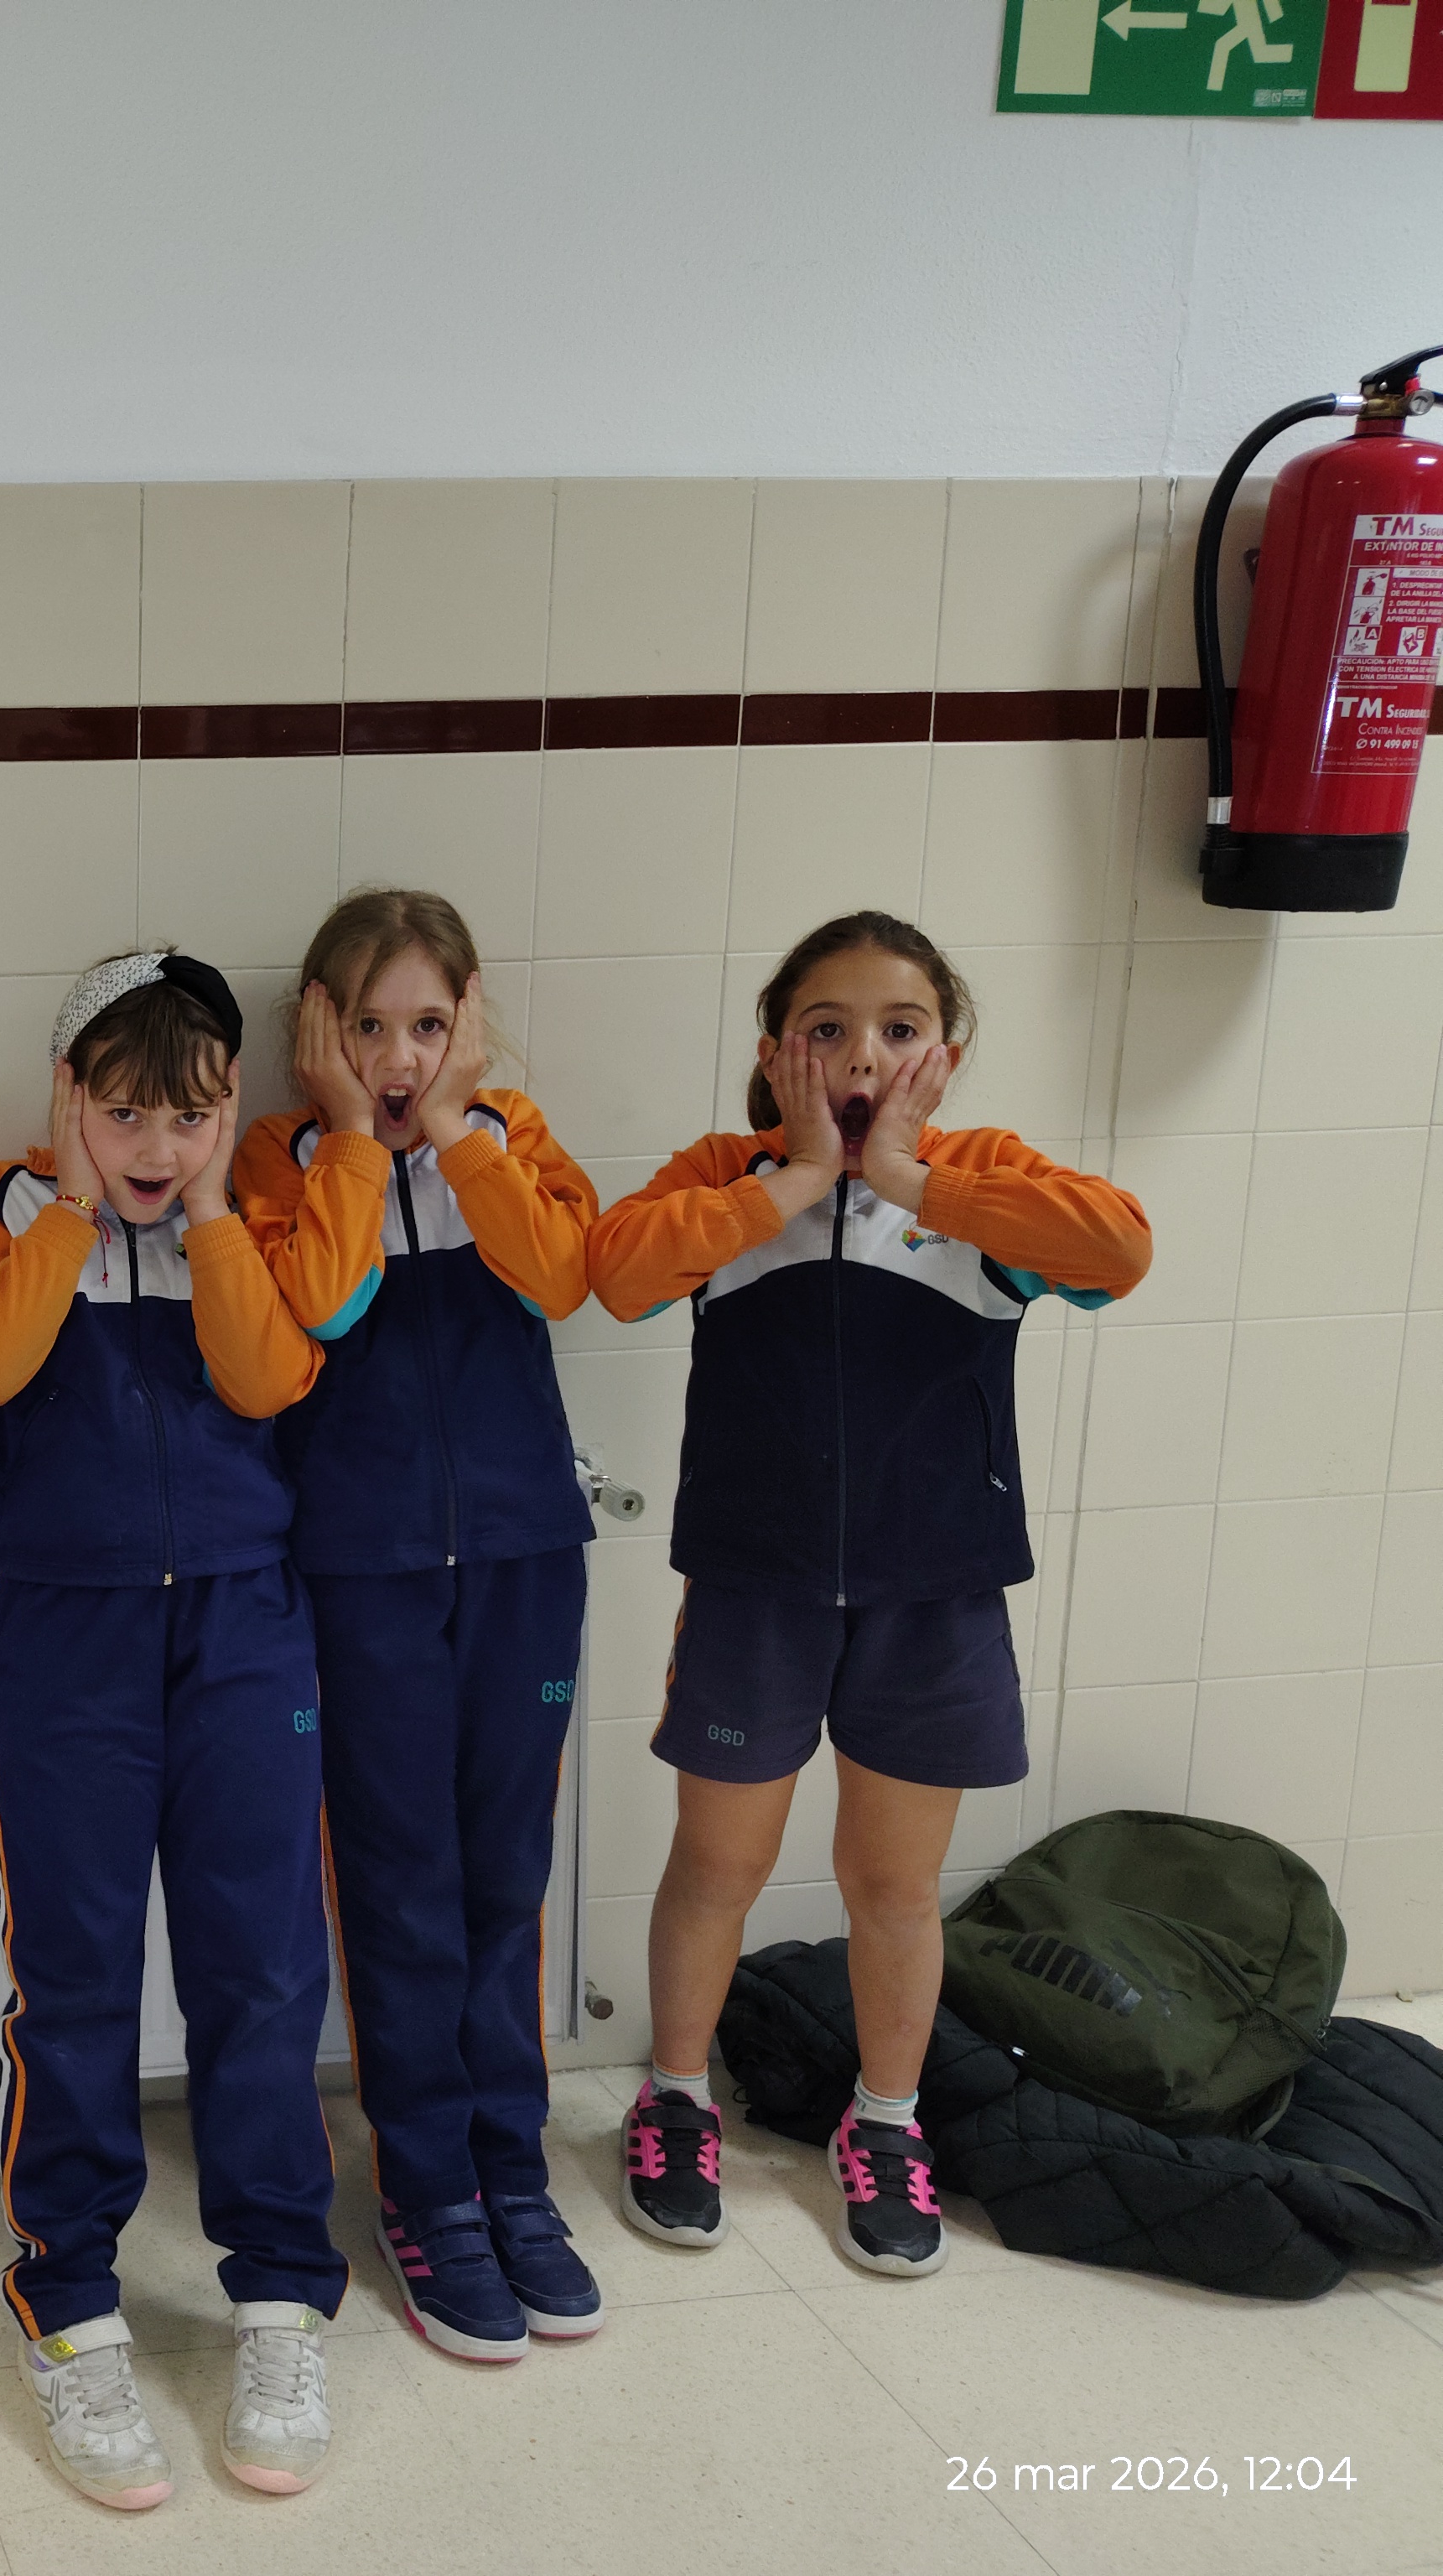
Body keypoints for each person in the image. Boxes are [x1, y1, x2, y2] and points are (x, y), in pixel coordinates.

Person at [585, 911, 1150, 2279]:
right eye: (827, 1028)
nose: (862, 1056)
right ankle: (674, 2099)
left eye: (899, 1029)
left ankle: (886, 2123)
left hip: (935, 1606)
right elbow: (616, 1276)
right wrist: (792, 1177)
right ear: (776, 1048)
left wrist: (908, 1179)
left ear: (943, 1056)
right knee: (717, 1866)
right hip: (754, 1597)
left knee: (893, 1886)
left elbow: (1119, 1251)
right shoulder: (728, 1182)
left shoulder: (979, 1183)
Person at [0, 948, 342, 2512]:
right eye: (123, 1114)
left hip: (245, 1629)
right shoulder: (3, 1202)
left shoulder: (255, 1215)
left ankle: (282, 2297)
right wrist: (67, 1201)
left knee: (262, 1969)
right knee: (77, 1976)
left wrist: (219, 1210)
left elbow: (269, 1378)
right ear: (68, 1103)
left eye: (190, 1115)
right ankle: (71, 2305)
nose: (156, 1148)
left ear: (229, 1111)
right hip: (66, 1640)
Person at [235, 889, 605, 2363]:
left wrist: (455, 1130)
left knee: (505, 1877)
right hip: (363, 1571)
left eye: (429, 1026)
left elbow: (563, 1277)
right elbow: (319, 1314)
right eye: (370, 1028)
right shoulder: (279, 1157)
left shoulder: (506, 1136)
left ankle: (514, 2169)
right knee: (400, 1884)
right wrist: (348, 1136)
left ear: (472, 1023)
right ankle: (430, 2183)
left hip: (525, 1558)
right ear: (318, 1032)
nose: (399, 1059)